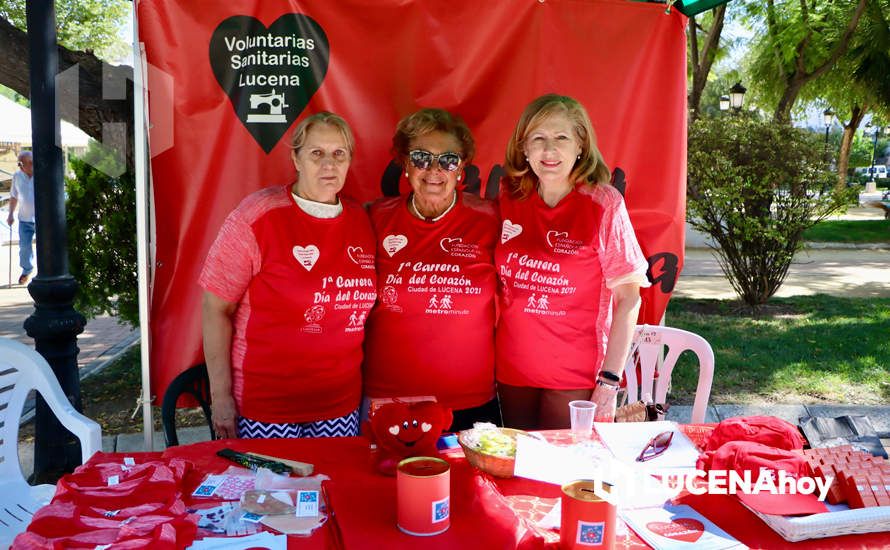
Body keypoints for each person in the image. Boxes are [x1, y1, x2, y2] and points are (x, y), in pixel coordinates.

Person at [199, 112, 377, 439]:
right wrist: (220, 396)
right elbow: (215, 308)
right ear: (296, 158)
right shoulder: (257, 215)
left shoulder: (361, 220)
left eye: (339, 153)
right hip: (267, 408)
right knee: (273, 491)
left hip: (339, 405)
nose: (329, 164)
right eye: (316, 153)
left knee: (332, 488)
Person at [495, 94, 650, 430]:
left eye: (561, 138)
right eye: (537, 138)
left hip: (573, 376)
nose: (549, 151)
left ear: (581, 144)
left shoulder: (603, 204)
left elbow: (629, 299)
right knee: (515, 470)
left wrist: (609, 382)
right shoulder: (509, 197)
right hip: (511, 370)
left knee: (561, 475)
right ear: (523, 147)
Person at [363, 108, 500, 431]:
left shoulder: (491, 219)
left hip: (469, 400)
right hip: (389, 400)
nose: (434, 170)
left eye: (448, 160)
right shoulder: (374, 218)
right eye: (421, 158)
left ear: (461, 168)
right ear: (405, 165)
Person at [7, 151, 35, 285]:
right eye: (19, 163)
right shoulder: (17, 176)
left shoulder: (41, 175)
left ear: (31, 162)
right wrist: (10, 214)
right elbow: (14, 196)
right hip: (25, 219)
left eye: (21, 163)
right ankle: (27, 270)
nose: (19, 166)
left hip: (43, 220)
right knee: (24, 247)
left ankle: (45, 273)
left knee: (46, 248)